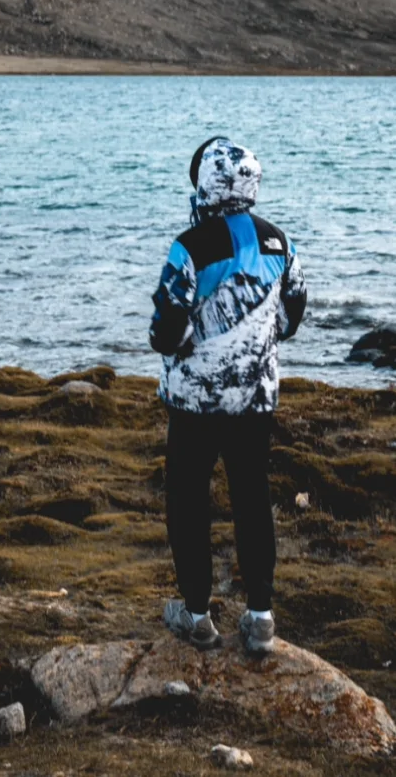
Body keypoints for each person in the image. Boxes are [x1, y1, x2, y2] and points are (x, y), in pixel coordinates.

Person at [149, 135, 307, 655]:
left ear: (205, 183)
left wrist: (191, 343)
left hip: (195, 404)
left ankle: (197, 616)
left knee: (189, 501)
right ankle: (260, 616)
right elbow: (290, 317)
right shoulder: (281, 243)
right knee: (252, 498)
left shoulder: (190, 247)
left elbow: (166, 331)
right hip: (255, 400)